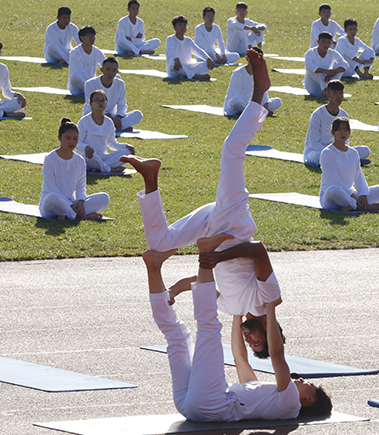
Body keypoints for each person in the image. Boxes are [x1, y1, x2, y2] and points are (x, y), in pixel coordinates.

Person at [120, 50, 289, 357]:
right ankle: (260, 90)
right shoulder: (270, 300)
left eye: (252, 346)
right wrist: (216, 257)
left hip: (212, 235)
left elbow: (202, 283)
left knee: (159, 244)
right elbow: (258, 250)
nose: (250, 341)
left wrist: (174, 289)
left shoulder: (231, 307)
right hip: (233, 226)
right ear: (271, 331)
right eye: (258, 342)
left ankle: (150, 177)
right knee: (231, 150)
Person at [143, 236, 332, 421]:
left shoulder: (291, 404)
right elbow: (240, 357)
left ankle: (205, 254)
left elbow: (276, 353)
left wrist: (271, 308)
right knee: (177, 337)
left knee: (208, 325)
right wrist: (237, 314)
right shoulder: (267, 397)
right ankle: (153, 266)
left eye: (310, 385)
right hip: (192, 407)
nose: (301, 380)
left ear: (309, 399)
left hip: (212, 404)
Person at [40, 118, 110, 220]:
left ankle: (67, 214)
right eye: (68, 138)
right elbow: (51, 188)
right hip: (53, 202)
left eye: (75, 138)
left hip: (73, 203)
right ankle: (80, 216)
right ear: (59, 138)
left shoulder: (80, 160)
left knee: (104, 198)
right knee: (52, 198)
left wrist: (80, 202)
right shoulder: (50, 159)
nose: (72, 142)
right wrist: (70, 205)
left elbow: (81, 186)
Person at [319, 117, 379, 212]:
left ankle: (349, 206)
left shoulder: (353, 153)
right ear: (332, 132)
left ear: (349, 132)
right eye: (339, 130)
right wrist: (353, 197)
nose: (343, 133)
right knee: (334, 190)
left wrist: (363, 195)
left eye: (346, 130)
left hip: (351, 193)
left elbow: (359, 176)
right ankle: (360, 206)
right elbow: (335, 181)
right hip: (331, 195)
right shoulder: (327, 153)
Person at [304, 80, 370, 166]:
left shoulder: (344, 115)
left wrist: (340, 150)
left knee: (365, 150)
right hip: (317, 151)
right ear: (328, 95)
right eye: (335, 93)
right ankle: (349, 160)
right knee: (318, 156)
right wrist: (333, 151)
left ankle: (344, 159)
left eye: (340, 93)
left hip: (338, 150)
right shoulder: (317, 115)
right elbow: (314, 143)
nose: (338, 97)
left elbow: (345, 140)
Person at [78, 90, 135, 173]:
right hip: (88, 156)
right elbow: (77, 142)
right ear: (90, 104)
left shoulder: (109, 122)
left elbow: (112, 144)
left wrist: (126, 146)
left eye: (103, 100)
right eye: (96, 100)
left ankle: (98, 167)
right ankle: (109, 169)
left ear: (106, 103)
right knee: (90, 156)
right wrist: (85, 147)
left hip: (103, 157)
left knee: (127, 152)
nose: (100, 103)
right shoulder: (84, 121)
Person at [82, 57, 142, 132]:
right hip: (94, 114)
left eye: (114, 70)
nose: (110, 73)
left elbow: (122, 105)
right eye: (108, 69)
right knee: (91, 118)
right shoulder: (90, 84)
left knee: (138, 114)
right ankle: (117, 128)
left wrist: (118, 117)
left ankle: (112, 128)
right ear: (101, 70)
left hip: (114, 116)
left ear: (117, 72)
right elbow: (92, 106)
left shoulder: (120, 84)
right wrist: (111, 118)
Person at [224, 47, 281, 117]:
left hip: (256, 104)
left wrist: (263, 105)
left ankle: (253, 111)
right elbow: (237, 95)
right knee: (236, 100)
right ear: (247, 59)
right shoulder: (238, 73)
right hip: (240, 103)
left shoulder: (261, 73)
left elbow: (264, 96)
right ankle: (256, 111)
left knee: (277, 102)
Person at [166, 15, 215, 80]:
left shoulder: (188, 40)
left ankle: (186, 75)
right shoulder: (170, 39)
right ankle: (195, 76)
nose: (183, 27)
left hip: (188, 67)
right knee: (173, 64)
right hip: (176, 68)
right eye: (180, 25)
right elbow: (170, 51)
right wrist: (176, 59)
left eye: (184, 25)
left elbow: (197, 50)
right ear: (175, 27)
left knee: (207, 64)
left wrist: (208, 59)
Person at [303, 32, 348, 97]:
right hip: (313, 87)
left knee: (340, 67)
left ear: (331, 43)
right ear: (318, 42)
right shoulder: (310, 52)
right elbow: (308, 66)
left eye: (328, 42)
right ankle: (325, 89)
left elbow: (345, 64)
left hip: (327, 80)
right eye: (323, 41)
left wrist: (334, 72)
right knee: (315, 70)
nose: (326, 44)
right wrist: (326, 72)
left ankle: (333, 89)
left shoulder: (333, 52)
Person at [68, 26, 105, 96]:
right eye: (88, 36)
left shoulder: (96, 51)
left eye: (93, 36)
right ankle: (94, 92)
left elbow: (105, 64)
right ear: (81, 38)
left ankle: (95, 91)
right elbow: (80, 71)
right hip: (77, 87)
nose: (91, 38)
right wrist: (92, 84)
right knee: (76, 75)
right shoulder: (75, 52)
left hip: (92, 85)